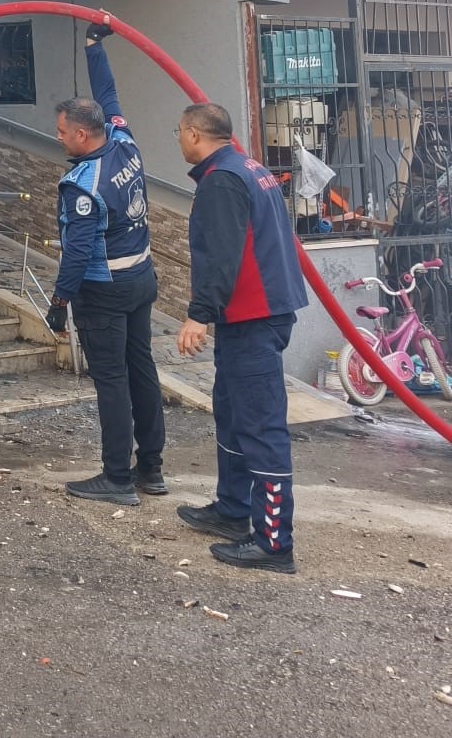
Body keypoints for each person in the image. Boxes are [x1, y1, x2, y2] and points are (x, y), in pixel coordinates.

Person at [173, 101, 308, 573]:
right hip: (255, 314)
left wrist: (199, 315)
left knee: (260, 426)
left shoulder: (223, 180)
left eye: (179, 132)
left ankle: (274, 543)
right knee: (231, 414)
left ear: (194, 134)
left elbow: (222, 254)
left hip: (254, 317)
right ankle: (233, 509)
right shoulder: (248, 168)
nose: (179, 139)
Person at [49, 19, 166, 506]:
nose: (58, 138)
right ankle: (151, 469)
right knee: (142, 369)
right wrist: (94, 46)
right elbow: (109, 96)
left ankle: (117, 477)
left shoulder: (83, 185)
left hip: (106, 290)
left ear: (82, 134)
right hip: (141, 278)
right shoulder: (123, 140)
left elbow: (77, 253)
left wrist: (59, 302)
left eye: (62, 132)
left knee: (113, 380)